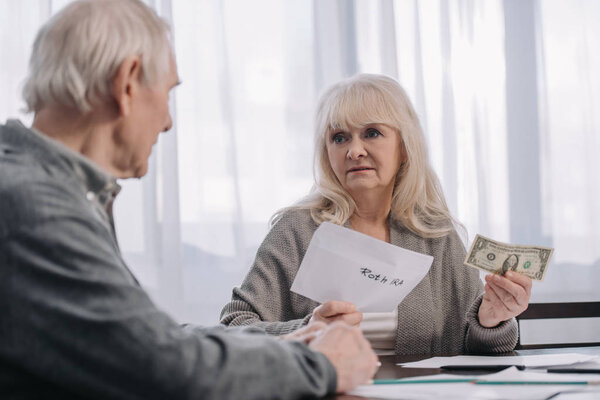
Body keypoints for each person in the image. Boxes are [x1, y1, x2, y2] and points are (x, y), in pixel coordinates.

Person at [0, 1, 378, 398]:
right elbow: (160, 368)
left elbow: (145, 337)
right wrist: (322, 363)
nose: (167, 121)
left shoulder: (42, 188)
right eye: (167, 92)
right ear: (127, 83)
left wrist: (285, 342)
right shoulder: (33, 206)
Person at [220, 73, 533, 355]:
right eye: (339, 137)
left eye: (371, 133)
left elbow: (479, 343)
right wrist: (306, 330)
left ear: (404, 146)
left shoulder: (435, 234)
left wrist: (491, 320)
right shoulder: (297, 230)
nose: (354, 150)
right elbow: (233, 328)